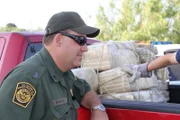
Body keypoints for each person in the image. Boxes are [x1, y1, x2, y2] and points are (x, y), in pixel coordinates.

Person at [0, 11, 109, 120]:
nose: (85, 48)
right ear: (59, 40)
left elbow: (84, 90)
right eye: (81, 40)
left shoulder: (64, 74)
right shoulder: (26, 79)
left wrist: (98, 108)